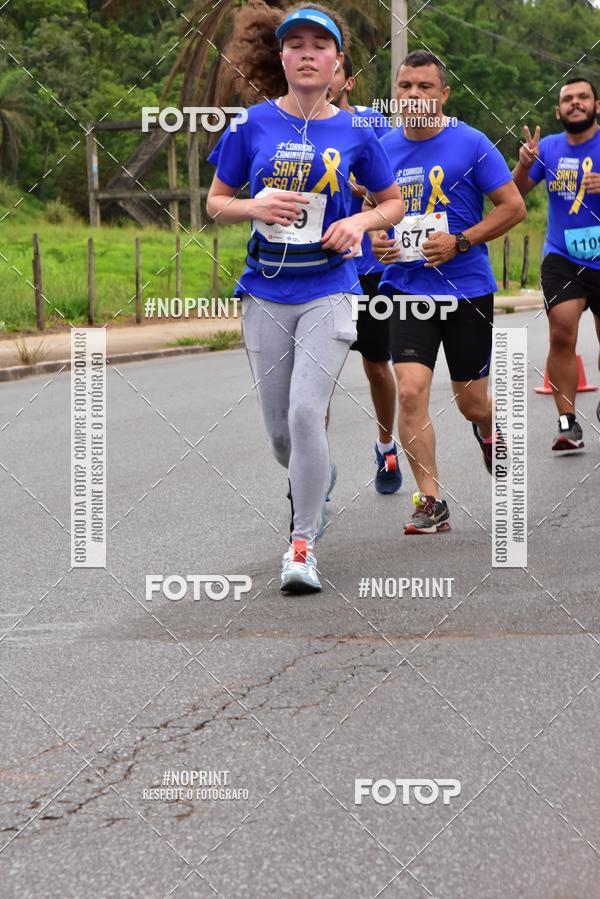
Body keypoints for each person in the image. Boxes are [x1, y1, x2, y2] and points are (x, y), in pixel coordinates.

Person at [206, 3, 404, 591]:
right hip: (266, 291)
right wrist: (253, 205)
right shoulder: (251, 125)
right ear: (282, 58)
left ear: (337, 62)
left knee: (304, 409)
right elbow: (215, 203)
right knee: (280, 436)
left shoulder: (358, 131)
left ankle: (301, 544)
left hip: (331, 288)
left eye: (322, 45)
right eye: (297, 45)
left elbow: (392, 202)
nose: (309, 53)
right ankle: (320, 474)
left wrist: (360, 225)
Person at [372, 49, 526, 535]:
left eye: (423, 86)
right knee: (412, 391)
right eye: (404, 86)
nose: (413, 95)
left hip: (467, 291)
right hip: (406, 288)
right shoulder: (380, 147)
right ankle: (430, 500)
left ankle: (486, 429)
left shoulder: (472, 143)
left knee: (470, 401)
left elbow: (513, 207)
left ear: (443, 94)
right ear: (395, 93)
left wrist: (461, 240)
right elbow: (370, 212)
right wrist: (376, 238)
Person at [327, 54, 402, 493]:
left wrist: (367, 194)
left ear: (348, 80)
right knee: (318, 374)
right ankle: (314, 468)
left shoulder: (371, 125)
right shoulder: (300, 128)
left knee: (377, 367)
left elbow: (394, 192)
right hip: (326, 269)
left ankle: (386, 446)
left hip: (370, 271)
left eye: (334, 68)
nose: (324, 75)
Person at [513, 77, 600, 451]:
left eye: (583, 97)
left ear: (597, 105)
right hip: (562, 255)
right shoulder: (546, 149)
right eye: (568, 99)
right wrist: (522, 166)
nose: (575, 103)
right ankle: (567, 424)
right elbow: (513, 195)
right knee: (562, 331)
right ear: (558, 110)